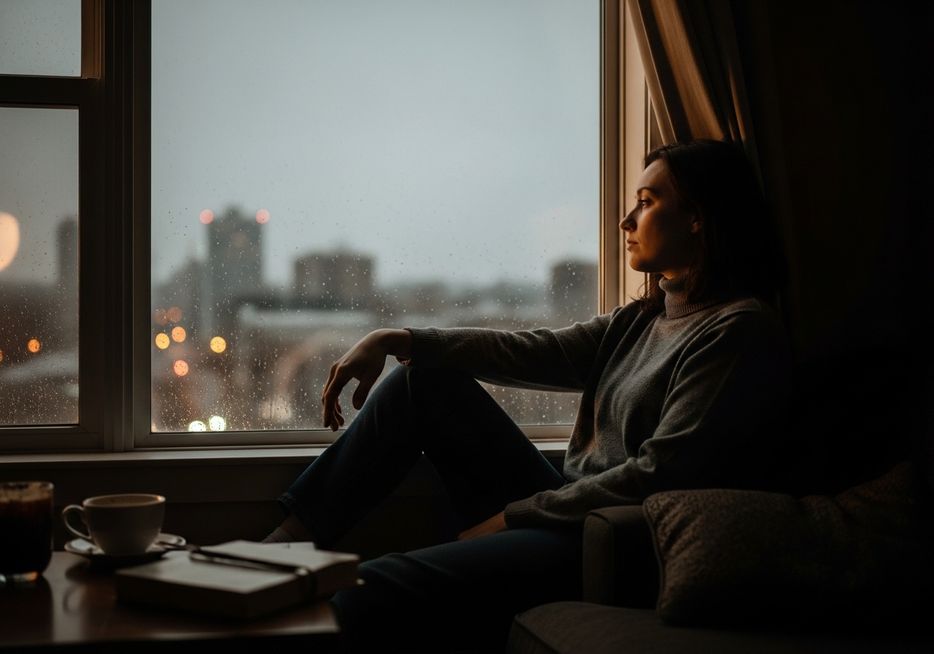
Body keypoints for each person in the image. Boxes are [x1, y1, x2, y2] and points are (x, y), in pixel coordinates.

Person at [264, 138, 792, 652]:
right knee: (420, 381)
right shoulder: (642, 319)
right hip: (569, 510)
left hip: (616, 540)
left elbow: (659, 474)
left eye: (647, 202)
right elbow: (531, 350)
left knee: (371, 587)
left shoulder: (736, 331)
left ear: (698, 218)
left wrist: (514, 516)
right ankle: (275, 554)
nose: (626, 221)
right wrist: (399, 339)